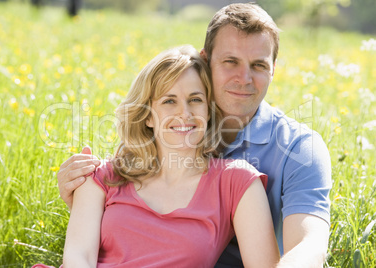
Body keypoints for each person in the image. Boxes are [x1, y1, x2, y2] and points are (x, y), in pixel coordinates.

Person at [57, 3, 332, 267]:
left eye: (259, 65)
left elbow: (310, 245)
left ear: (273, 69)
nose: (244, 78)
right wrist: (87, 204)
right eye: (230, 61)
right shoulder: (166, 136)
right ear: (205, 60)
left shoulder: (296, 149)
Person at [40, 45, 279, 267]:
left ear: (208, 110)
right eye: (169, 101)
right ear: (148, 116)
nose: (184, 113)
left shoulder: (236, 181)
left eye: (195, 100)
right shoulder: (102, 177)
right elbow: (78, 257)